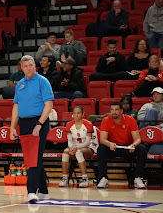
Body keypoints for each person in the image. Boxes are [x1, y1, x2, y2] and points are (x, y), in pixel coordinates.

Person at [10, 55, 54, 203]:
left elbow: (49, 105)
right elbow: (16, 106)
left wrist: (40, 124)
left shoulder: (43, 81)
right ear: (21, 68)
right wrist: (12, 127)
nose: (28, 68)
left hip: (39, 121)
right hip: (24, 123)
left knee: (33, 158)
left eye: (31, 65)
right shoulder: (20, 84)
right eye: (25, 66)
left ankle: (31, 191)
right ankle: (43, 190)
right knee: (33, 157)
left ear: (35, 66)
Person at [97, 101, 147, 189]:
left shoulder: (130, 119)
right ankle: (103, 178)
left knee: (142, 149)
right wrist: (109, 144)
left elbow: (138, 139)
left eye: (116, 110)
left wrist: (133, 145)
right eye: (112, 110)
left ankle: (138, 178)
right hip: (114, 147)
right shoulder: (106, 120)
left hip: (128, 147)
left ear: (121, 111)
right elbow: (102, 140)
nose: (114, 112)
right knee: (101, 148)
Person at [59, 106, 98, 188]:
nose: (76, 115)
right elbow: (69, 141)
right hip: (74, 147)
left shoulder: (88, 124)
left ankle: (85, 178)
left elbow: (87, 142)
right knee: (65, 152)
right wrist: (72, 147)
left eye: (78, 113)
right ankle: (65, 178)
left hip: (89, 147)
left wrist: (76, 148)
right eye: (74, 113)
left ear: (83, 114)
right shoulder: (69, 124)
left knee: (78, 152)